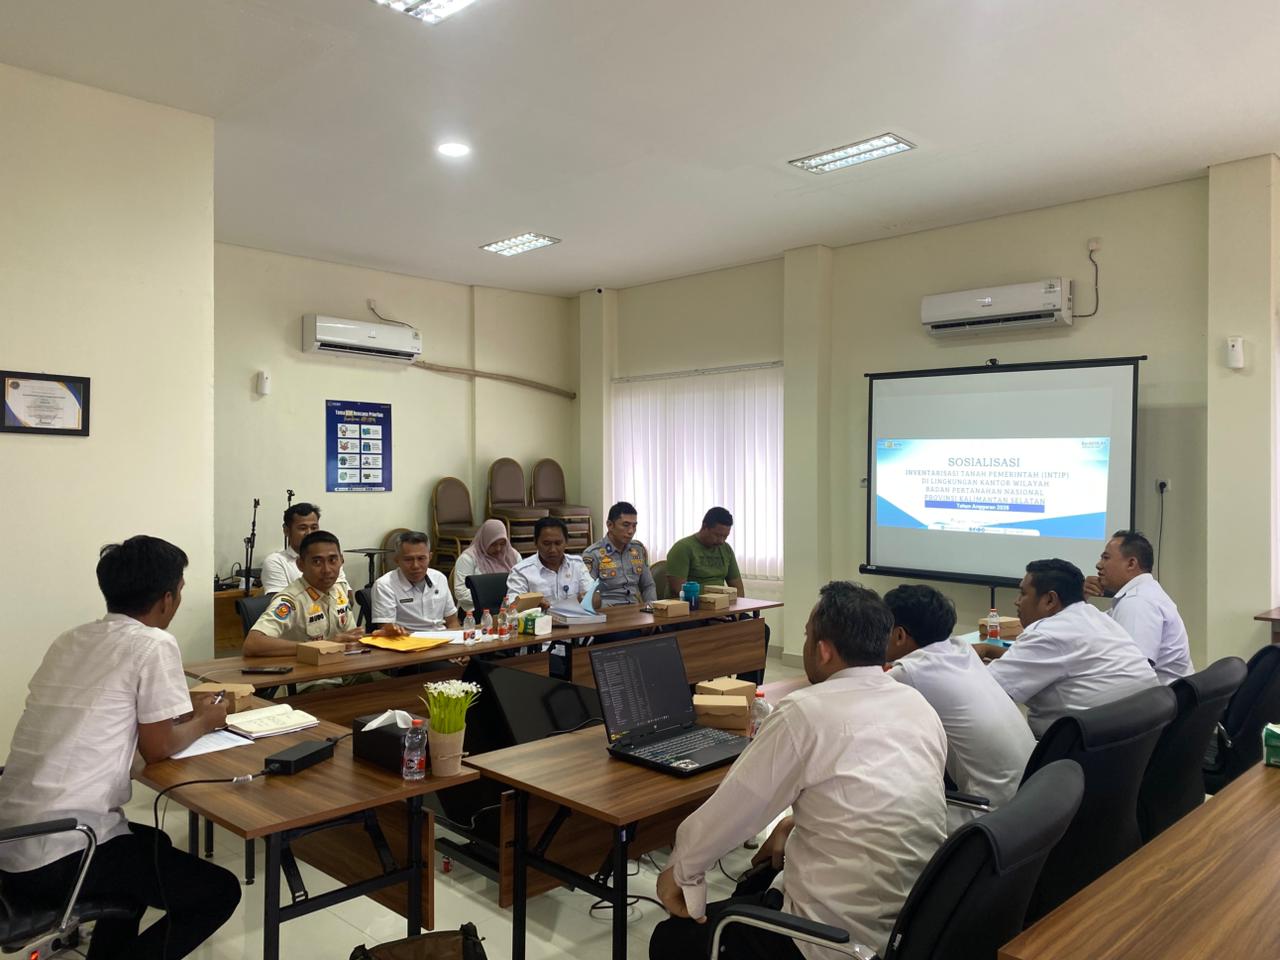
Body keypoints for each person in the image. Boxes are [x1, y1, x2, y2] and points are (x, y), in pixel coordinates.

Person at [651, 581, 947, 960]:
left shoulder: (805, 711)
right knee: (757, 880)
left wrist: (680, 874)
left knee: (671, 939)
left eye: (807, 637)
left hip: (830, 938)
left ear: (823, 650)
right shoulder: (917, 704)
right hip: (911, 921)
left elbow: (733, 812)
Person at [0, 536, 241, 959]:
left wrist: (185, 712)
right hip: (60, 852)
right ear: (167, 598)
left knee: (152, 845)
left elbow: (104, 710)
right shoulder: (153, 643)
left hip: (13, 837)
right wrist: (207, 720)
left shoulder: (71, 640)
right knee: (218, 892)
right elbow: (159, 747)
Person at [884, 584, 1035, 830]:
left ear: (900, 635)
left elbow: (856, 696)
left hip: (986, 816)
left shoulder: (909, 672)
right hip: (1030, 798)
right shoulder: (961, 649)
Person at [977, 559, 1159, 737]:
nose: (1017, 602)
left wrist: (967, 661)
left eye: (1023, 594)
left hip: (1073, 750)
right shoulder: (1096, 617)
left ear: (1050, 600)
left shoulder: (1047, 633)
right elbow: (1056, 658)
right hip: (1132, 742)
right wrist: (990, 650)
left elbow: (984, 692)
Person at [245, 530, 402, 656]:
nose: (327, 570)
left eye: (333, 560)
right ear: (300, 564)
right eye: (317, 562)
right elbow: (253, 644)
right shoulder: (291, 600)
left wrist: (377, 637)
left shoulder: (338, 590)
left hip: (344, 668)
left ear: (341, 560)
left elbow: (349, 639)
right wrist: (322, 646)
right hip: (309, 678)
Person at [1085, 530, 1193, 684]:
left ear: (1131, 563)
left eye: (1106, 558)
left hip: (1158, 696)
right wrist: (1080, 597)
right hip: (1163, 693)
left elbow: (1133, 673)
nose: (1098, 565)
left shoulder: (1137, 602)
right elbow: (1091, 629)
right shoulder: (1141, 594)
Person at [371, 531, 460, 632]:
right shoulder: (384, 585)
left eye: (421, 558)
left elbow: (452, 621)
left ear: (430, 557)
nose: (415, 566)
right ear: (397, 560)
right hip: (408, 639)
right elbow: (386, 629)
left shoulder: (439, 578)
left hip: (443, 638)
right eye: (408, 559)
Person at [503, 517, 599, 609]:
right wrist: (532, 604)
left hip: (574, 620)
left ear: (566, 542)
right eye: (546, 544)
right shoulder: (521, 571)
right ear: (535, 542)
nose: (553, 549)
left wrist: (591, 599)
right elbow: (510, 607)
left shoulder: (576, 564)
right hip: (538, 620)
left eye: (558, 543)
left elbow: (595, 598)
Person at [259, 501, 344, 594]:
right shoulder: (276, 561)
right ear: (286, 530)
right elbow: (279, 600)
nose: (309, 533)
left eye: (314, 528)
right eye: (302, 528)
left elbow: (345, 595)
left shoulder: (329, 558)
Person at [582, 501, 657, 607]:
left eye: (634, 526)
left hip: (635, 608)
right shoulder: (593, 554)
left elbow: (648, 585)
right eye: (625, 525)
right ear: (610, 525)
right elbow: (588, 593)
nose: (631, 531)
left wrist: (651, 607)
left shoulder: (638, 549)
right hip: (608, 610)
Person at [664, 506, 744, 599]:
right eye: (717, 535)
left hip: (719, 604)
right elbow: (678, 591)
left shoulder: (726, 549)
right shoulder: (683, 548)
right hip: (690, 604)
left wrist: (739, 607)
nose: (721, 541)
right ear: (704, 527)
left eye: (725, 536)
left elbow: (738, 588)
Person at [450, 518, 521, 614]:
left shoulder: (513, 556)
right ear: (485, 540)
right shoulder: (468, 558)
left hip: (508, 609)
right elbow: (460, 592)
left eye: (502, 544)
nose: (498, 548)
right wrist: (490, 598)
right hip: (475, 611)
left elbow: (522, 583)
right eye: (493, 544)